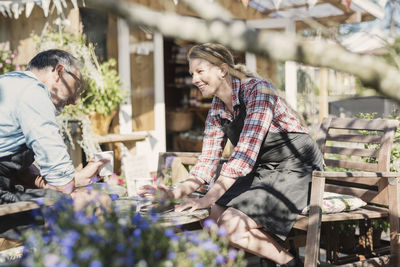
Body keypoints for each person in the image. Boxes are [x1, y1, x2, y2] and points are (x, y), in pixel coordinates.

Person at [141, 43, 323, 266]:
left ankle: (291, 263)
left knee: (229, 223)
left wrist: (207, 197)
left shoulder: (259, 90)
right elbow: (207, 162)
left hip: (298, 167)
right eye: (192, 74)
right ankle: (281, 258)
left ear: (222, 70)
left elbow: (245, 153)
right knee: (210, 216)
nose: (195, 80)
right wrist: (175, 193)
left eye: (200, 71)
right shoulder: (217, 109)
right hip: (264, 169)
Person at [0, 49, 108, 206]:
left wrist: (57, 183)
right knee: (95, 202)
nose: (75, 101)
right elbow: (62, 182)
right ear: (59, 71)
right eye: (77, 87)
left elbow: (15, 166)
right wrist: (74, 179)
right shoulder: (33, 92)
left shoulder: (11, 83)